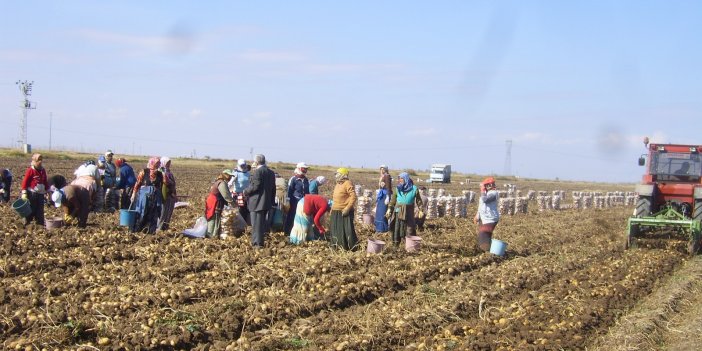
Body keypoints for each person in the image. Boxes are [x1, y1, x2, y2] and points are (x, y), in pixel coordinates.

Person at [243, 154, 276, 248]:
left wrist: (246, 191)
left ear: (256, 162)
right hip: (266, 202)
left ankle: (257, 244)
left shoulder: (258, 172)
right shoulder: (271, 172)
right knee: (260, 224)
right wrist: (272, 202)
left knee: (256, 225)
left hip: (257, 202)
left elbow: (255, 186)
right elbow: (273, 188)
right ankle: (258, 242)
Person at [386, 172, 423, 246]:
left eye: (401, 178)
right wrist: (389, 209)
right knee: (397, 229)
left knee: (410, 229)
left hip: (409, 212)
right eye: (399, 178)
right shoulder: (398, 188)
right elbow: (393, 200)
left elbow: (418, 200)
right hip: (398, 211)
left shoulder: (414, 189)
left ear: (406, 179)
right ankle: (396, 245)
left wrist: (421, 210)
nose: (399, 180)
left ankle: (410, 245)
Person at [130, 157, 163, 234]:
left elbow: (161, 187)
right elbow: (137, 184)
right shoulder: (144, 172)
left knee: (153, 213)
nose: (158, 165)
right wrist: (134, 194)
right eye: (157, 163)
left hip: (155, 197)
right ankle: (138, 230)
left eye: (159, 163)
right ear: (152, 163)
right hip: (144, 197)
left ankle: (151, 231)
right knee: (142, 211)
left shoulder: (160, 174)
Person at [329, 168, 358, 250]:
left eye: (337, 174)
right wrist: (332, 210)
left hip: (344, 211)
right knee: (336, 230)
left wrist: (347, 208)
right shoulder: (338, 184)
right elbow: (334, 199)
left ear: (343, 175)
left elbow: (353, 197)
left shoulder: (347, 183)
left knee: (347, 231)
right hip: (336, 211)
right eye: (336, 174)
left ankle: (349, 247)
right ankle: (337, 246)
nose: (336, 175)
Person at [20, 154, 49, 226]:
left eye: (41, 160)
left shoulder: (42, 170)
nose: (40, 162)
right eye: (38, 160)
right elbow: (25, 182)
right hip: (32, 193)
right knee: (31, 209)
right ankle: (27, 223)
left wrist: (48, 190)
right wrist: (24, 192)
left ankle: (40, 224)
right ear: (34, 161)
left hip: (41, 193)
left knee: (40, 210)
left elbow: (45, 181)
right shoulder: (30, 170)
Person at [205, 169, 235, 238]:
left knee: (213, 218)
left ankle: (211, 234)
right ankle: (212, 235)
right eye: (229, 176)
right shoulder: (222, 183)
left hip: (212, 201)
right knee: (215, 218)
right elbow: (226, 196)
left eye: (231, 176)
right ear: (225, 175)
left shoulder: (219, 182)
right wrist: (233, 204)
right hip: (215, 202)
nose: (230, 178)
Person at [474, 177, 500, 252]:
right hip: (484, 218)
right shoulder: (486, 193)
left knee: (483, 234)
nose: (485, 187)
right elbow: (481, 206)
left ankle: (487, 252)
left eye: (486, 185)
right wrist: (477, 216)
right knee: (483, 236)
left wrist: (482, 190)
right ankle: (491, 250)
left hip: (491, 218)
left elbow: (485, 200)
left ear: (491, 185)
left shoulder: (494, 193)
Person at [284, 162, 310, 235]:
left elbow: (307, 192)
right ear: (299, 168)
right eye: (304, 168)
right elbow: (289, 191)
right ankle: (287, 232)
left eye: (306, 169)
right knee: (291, 216)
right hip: (294, 201)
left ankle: (299, 232)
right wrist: (288, 201)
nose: (305, 170)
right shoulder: (293, 179)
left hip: (302, 202)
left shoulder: (305, 180)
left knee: (301, 217)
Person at [228, 159, 251, 225]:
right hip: (238, 194)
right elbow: (230, 183)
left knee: (246, 210)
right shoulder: (236, 173)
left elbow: (250, 183)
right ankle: (239, 224)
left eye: (244, 165)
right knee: (239, 210)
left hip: (246, 194)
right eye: (242, 165)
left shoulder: (248, 173)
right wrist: (228, 191)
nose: (243, 167)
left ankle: (245, 224)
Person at [158, 156, 177, 231]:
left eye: (169, 163)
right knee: (163, 212)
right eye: (167, 163)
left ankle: (165, 227)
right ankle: (159, 228)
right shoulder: (161, 171)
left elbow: (172, 184)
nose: (169, 164)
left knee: (169, 212)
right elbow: (166, 183)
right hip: (165, 194)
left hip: (171, 195)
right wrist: (170, 192)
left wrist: (174, 193)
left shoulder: (169, 172)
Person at [374, 165, 393, 232]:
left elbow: (388, 187)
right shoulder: (382, 176)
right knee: (379, 212)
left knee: (382, 212)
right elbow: (381, 186)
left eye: (383, 169)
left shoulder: (387, 176)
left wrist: (388, 196)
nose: (382, 170)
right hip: (381, 195)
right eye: (381, 169)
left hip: (385, 195)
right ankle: (378, 228)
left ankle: (383, 229)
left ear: (386, 169)